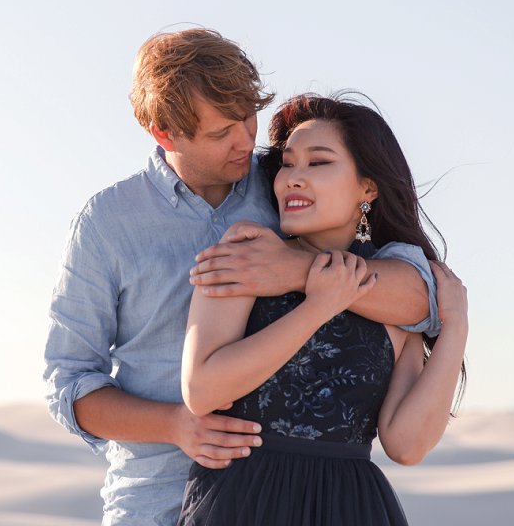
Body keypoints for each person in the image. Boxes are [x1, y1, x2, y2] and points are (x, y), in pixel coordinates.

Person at [44, 29, 443, 525]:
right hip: (152, 502)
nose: (246, 143)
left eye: (247, 119)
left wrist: (295, 268)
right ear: (164, 134)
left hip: (288, 499)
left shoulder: (289, 185)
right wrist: (175, 425)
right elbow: (70, 382)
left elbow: (416, 297)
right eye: (220, 133)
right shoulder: (107, 223)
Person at [178, 93, 469, 525]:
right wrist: (318, 306)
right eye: (287, 164)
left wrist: (456, 330)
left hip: (352, 508)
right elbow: (202, 390)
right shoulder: (249, 252)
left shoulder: (392, 289)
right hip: (243, 503)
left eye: (318, 163)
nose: (292, 178)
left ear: (367, 187)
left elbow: (406, 445)